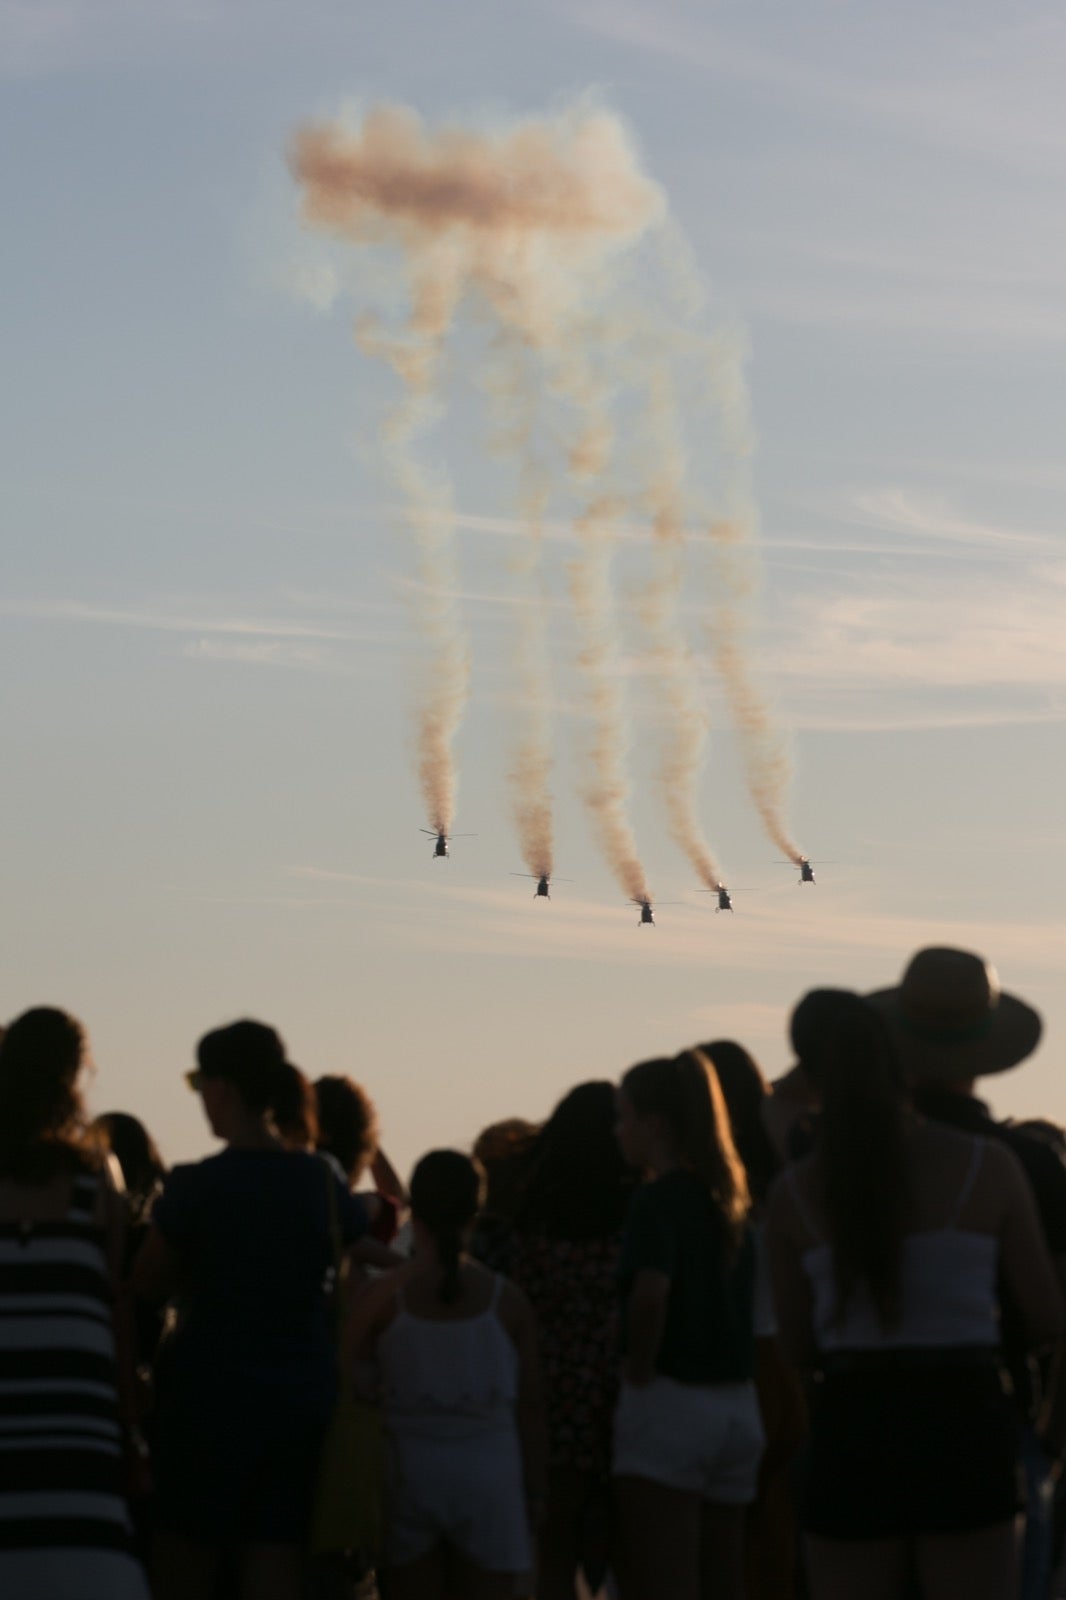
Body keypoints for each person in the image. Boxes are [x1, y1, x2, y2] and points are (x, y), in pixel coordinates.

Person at [766, 989, 1064, 1600]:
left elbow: (797, 1343)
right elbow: (1044, 1315)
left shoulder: (797, 1191)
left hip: (852, 1421)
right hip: (964, 1416)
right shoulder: (988, 1166)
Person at [132, 1020, 370, 1600]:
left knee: (184, 1559)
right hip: (299, 1396)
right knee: (275, 1559)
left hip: (205, 1397)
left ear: (224, 1088)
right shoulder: (321, 1180)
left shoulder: (196, 1187)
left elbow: (144, 1286)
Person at [870, 947, 1066, 1600]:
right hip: (984, 1422)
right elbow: (1049, 1314)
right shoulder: (1028, 1165)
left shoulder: (833, 1164)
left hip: (861, 1419)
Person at [0, 1008, 152, 1599]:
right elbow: (114, 1301)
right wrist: (132, 1426)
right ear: (74, 1077)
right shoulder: (95, 1179)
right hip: (75, 1408)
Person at [350, 1149, 545, 1600]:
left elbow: (350, 1380)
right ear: (474, 1212)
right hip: (490, 1475)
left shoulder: (385, 1297)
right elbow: (531, 1404)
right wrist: (536, 1490)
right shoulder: (507, 1302)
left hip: (407, 1473)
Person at [613, 1051, 763, 1600]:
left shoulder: (657, 1202)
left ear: (654, 1126)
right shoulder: (730, 1201)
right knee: (725, 1571)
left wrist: (637, 1365)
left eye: (623, 1117)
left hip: (672, 1398)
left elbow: (651, 1294)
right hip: (737, 1401)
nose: (618, 1131)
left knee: (663, 1574)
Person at [508, 1081, 638, 1600]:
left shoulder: (531, 1217)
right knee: (633, 1540)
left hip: (553, 1388)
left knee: (556, 1541)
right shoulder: (635, 1213)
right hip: (625, 1386)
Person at [702, 1040, 805, 1600]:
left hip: (734, 1359)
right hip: (788, 1357)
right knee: (777, 1527)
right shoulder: (789, 1173)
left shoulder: (711, 1192)